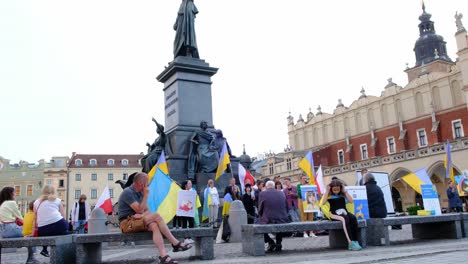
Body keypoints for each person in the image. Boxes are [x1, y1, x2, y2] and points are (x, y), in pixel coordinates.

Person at [118, 172, 192, 264]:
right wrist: (145, 196)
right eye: (147, 183)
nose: (148, 185)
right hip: (126, 223)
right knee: (156, 216)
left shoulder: (140, 193)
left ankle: (163, 256)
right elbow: (140, 210)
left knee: (154, 225)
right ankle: (176, 243)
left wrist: (142, 215)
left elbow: (147, 211)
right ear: (142, 184)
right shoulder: (128, 193)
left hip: (137, 221)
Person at [321, 180, 362, 251]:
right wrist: (327, 191)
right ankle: (350, 242)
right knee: (344, 219)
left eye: (338, 189)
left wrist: (345, 191)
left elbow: (351, 201)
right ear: (331, 189)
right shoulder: (329, 196)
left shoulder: (342, 195)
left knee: (353, 218)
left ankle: (355, 240)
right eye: (334, 190)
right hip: (334, 213)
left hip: (344, 211)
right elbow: (323, 202)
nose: (336, 191)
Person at [34, 185, 69, 257]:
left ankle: (44, 249)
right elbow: (63, 215)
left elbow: (35, 218)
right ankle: (62, 245)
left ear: (43, 192)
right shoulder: (57, 200)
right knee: (65, 225)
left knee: (45, 231)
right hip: (58, 225)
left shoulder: (36, 202)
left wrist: (35, 229)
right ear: (53, 191)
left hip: (43, 229)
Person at [258, 181, 290, 252]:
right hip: (282, 218)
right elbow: (287, 207)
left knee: (258, 225)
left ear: (266, 187)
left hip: (269, 219)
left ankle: (270, 242)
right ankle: (278, 242)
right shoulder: (281, 193)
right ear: (274, 186)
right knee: (279, 222)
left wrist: (261, 216)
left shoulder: (262, 193)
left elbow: (260, 209)